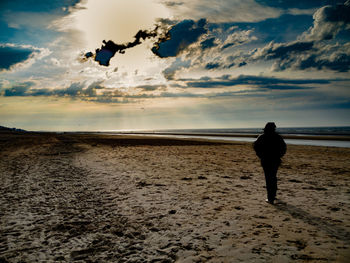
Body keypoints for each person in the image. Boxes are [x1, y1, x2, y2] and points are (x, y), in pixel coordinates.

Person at [253, 122, 286, 204]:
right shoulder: (278, 137)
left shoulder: (262, 137)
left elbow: (255, 147)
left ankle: (270, 198)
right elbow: (284, 148)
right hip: (275, 160)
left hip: (266, 160)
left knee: (269, 178)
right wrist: (279, 156)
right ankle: (273, 195)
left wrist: (261, 156)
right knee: (273, 177)